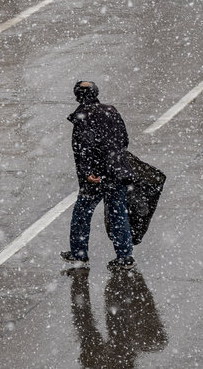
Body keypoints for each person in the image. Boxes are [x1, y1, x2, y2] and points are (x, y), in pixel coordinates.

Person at [61, 81, 136, 269]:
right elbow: (123, 140)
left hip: (96, 176)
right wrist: (115, 161)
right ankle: (125, 257)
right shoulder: (111, 111)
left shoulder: (82, 116)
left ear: (77, 96)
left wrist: (89, 173)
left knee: (82, 214)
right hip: (116, 172)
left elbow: (83, 149)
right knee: (118, 214)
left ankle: (79, 254)